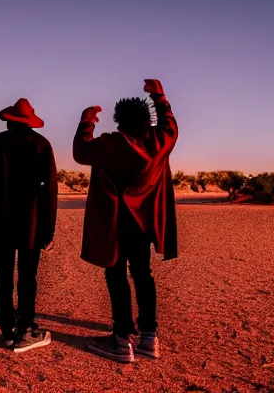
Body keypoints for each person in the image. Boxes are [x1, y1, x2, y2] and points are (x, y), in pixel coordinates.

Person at [73, 79, 178, 363]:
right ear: (147, 119)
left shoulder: (111, 143)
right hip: (144, 222)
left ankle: (122, 340)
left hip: (115, 222)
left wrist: (87, 122)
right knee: (143, 275)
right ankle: (149, 339)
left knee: (116, 275)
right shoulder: (158, 142)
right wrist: (159, 96)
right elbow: (170, 126)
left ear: (119, 120)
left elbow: (81, 152)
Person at [0, 98, 58, 352]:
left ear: (9, 120)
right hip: (31, 222)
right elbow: (50, 191)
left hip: (1, 219)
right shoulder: (42, 145)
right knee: (27, 276)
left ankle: (6, 329)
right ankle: (25, 329)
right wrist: (48, 229)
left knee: (2, 274)